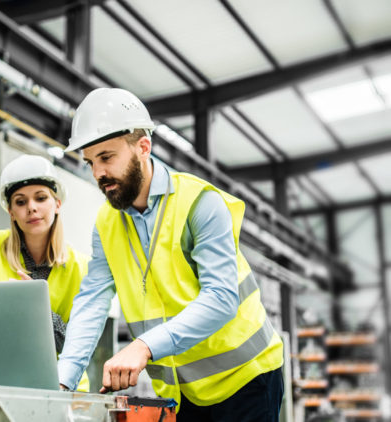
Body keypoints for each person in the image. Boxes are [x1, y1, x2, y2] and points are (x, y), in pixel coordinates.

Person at [57, 88, 284, 421]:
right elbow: (92, 300)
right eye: (91, 162)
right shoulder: (106, 223)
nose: (97, 173)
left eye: (106, 157)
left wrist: (144, 347)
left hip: (248, 378)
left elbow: (221, 297)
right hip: (185, 392)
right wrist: (64, 380)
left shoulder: (199, 203)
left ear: (143, 148)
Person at [0, 154, 90, 392]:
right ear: (11, 212)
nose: (31, 207)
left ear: (57, 204)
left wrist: (36, 308)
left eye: (41, 198)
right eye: (20, 202)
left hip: (61, 387)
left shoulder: (81, 267)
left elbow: (77, 342)